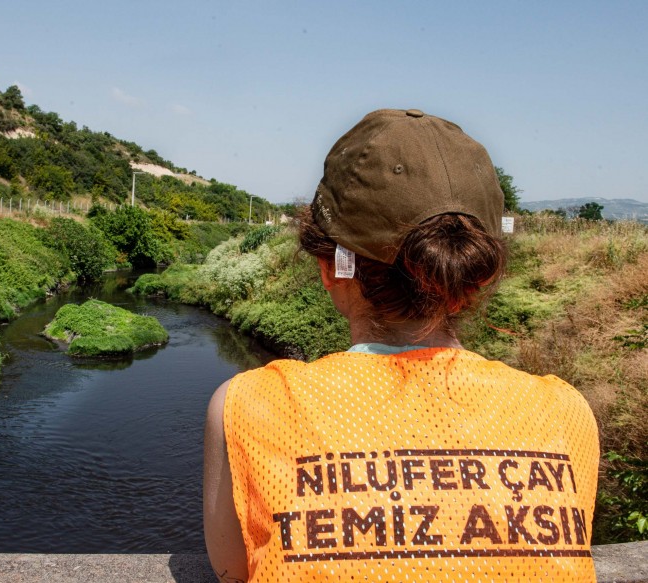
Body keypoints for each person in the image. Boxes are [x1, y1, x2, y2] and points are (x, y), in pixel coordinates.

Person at [203, 109, 599, 582]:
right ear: (479, 276)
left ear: (330, 266)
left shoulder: (248, 407)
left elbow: (231, 568)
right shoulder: (566, 413)